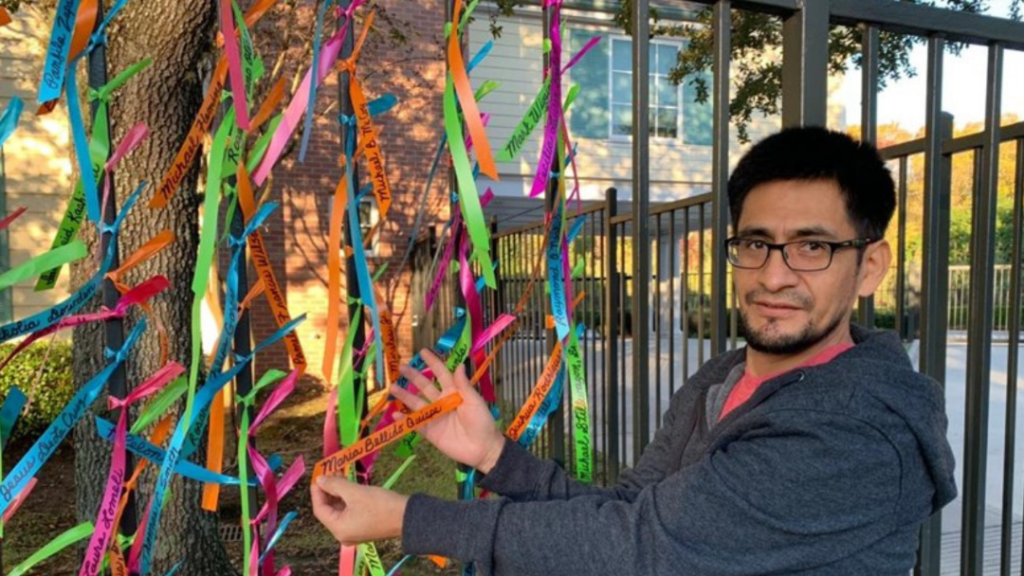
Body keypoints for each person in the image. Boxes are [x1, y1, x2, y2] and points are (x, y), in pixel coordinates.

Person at [311, 127, 957, 575]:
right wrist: (495, 456)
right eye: (756, 243)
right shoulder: (722, 376)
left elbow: (638, 552)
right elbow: (630, 510)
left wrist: (407, 518)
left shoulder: (857, 435)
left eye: (812, 247)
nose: (775, 274)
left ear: (870, 267)